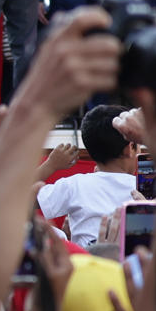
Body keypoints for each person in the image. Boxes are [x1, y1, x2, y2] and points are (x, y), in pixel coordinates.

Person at [34, 104, 138, 247]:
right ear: (130, 148)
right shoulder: (142, 190)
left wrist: (51, 165)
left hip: (85, 266)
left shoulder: (75, 185)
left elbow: (20, 198)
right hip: (130, 266)